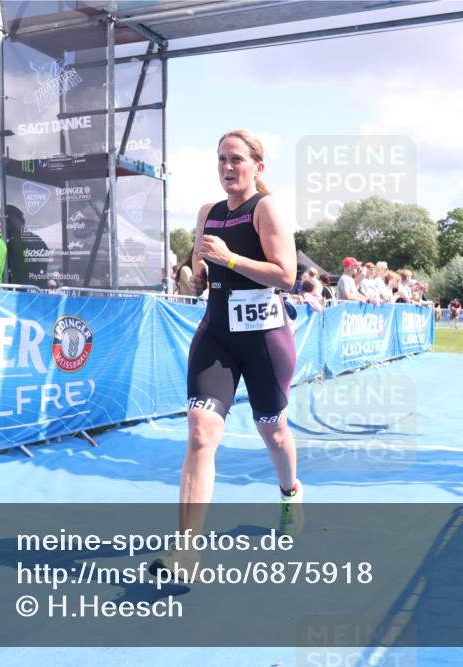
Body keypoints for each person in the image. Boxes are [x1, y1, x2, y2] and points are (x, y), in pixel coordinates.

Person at [152, 129, 300, 582]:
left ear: (258, 166)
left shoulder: (266, 208)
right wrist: (201, 278)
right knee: (200, 432)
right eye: (221, 159)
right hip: (217, 335)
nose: (227, 167)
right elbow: (204, 271)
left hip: (264, 340)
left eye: (236, 159)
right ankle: (186, 552)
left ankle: (290, 492)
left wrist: (230, 259)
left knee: (272, 431)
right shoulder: (208, 213)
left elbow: (286, 276)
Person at [0, 204, 49, 287]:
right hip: (39, 290)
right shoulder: (36, 239)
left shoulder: (13, 244)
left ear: (9, 223)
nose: (0, 229)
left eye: (2, 224)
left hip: (20, 292)